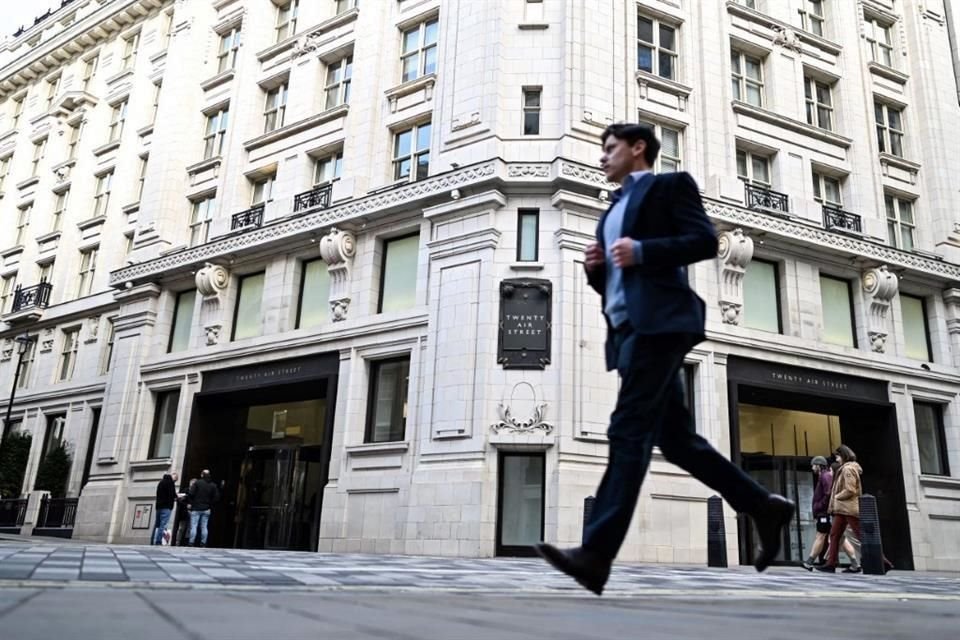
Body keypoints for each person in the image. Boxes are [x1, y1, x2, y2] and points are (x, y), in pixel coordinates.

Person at [534, 123, 794, 595]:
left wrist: (642, 251)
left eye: (609, 149)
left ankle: (595, 554)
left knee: (627, 428)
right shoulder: (610, 209)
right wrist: (598, 270)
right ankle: (763, 506)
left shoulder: (672, 186)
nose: (602, 158)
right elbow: (617, 282)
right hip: (630, 332)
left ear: (639, 149)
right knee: (676, 442)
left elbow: (702, 241)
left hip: (663, 325)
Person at [802, 456, 858, 570]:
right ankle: (855, 564)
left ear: (818, 465)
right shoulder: (823, 476)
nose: (812, 467)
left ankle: (809, 562)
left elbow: (829, 494)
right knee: (840, 538)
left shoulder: (825, 476)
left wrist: (820, 506)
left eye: (813, 465)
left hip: (825, 513)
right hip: (826, 512)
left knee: (821, 535)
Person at [817, 445, 864, 573]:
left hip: (848, 508)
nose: (836, 459)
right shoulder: (845, 469)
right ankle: (831, 564)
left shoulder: (848, 469)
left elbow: (850, 489)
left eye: (837, 456)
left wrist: (837, 497)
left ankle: (883, 562)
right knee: (834, 535)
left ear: (843, 455)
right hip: (842, 510)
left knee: (860, 535)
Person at [188, 469, 220, 548]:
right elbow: (217, 497)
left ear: (202, 475)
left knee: (194, 526)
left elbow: (191, 493)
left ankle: (191, 542)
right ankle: (203, 543)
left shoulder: (197, 483)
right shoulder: (213, 485)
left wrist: (193, 502)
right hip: (206, 508)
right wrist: (210, 503)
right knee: (204, 527)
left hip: (196, 508)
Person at [152, 471, 178, 545]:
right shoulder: (170, 483)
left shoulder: (161, 482)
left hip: (159, 507)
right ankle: (158, 541)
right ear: (173, 478)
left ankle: (153, 540)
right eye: (175, 480)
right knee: (163, 525)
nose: (175, 482)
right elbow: (172, 495)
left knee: (157, 524)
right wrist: (177, 497)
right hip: (166, 507)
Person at [172, 478, 195, 546]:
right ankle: (178, 542)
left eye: (194, 484)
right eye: (192, 484)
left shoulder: (196, 492)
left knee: (190, 528)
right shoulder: (185, 490)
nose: (192, 485)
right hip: (184, 512)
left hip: (192, 512)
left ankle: (187, 542)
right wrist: (186, 505)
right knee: (181, 528)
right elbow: (179, 500)